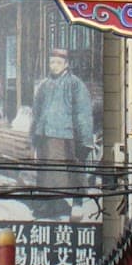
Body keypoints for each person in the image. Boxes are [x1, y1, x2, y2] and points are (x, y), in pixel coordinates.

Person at [30, 50, 92, 215]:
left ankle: (77, 204)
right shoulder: (44, 85)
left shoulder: (75, 84)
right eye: (52, 62)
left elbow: (82, 113)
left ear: (66, 64)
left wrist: (85, 140)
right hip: (45, 134)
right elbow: (36, 111)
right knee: (46, 173)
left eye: (58, 62)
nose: (54, 66)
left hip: (67, 136)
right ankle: (47, 206)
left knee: (71, 171)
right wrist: (34, 136)